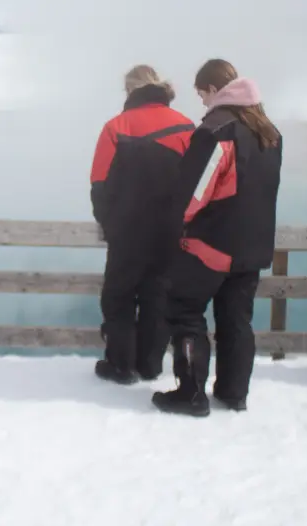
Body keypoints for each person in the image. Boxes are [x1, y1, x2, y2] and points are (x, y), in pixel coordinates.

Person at [153, 59, 282, 417]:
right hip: (253, 247)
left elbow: (197, 191)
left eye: (202, 95)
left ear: (214, 90)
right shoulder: (268, 131)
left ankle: (191, 393)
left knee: (185, 312)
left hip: (213, 243)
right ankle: (233, 392)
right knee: (236, 320)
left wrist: (177, 223)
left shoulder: (218, 130)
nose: (203, 103)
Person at [89, 65, 195, 384]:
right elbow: (196, 183)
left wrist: (109, 223)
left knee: (118, 295)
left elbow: (99, 183)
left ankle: (121, 365)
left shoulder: (116, 127)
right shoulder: (187, 126)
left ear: (130, 91)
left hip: (126, 232)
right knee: (158, 294)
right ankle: (150, 364)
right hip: (170, 231)